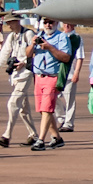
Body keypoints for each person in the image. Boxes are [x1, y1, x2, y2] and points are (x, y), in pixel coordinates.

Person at [0, 14, 39, 147]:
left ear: (17, 21)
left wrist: (24, 62)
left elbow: (36, 52)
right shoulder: (11, 36)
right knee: (23, 109)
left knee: (12, 103)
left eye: (10, 22)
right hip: (15, 76)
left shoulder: (28, 34)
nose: (9, 25)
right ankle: (33, 135)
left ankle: (7, 136)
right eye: (7, 23)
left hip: (25, 74)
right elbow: (3, 54)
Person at [27, 17, 73, 150]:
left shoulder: (62, 37)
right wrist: (33, 44)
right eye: (45, 22)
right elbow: (28, 54)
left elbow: (66, 57)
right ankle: (57, 138)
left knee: (47, 109)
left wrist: (49, 47)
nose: (47, 25)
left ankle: (40, 140)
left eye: (50, 22)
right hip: (38, 76)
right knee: (43, 110)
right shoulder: (39, 35)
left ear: (56, 23)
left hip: (52, 76)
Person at [55, 22, 84, 132]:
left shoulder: (77, 38)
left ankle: (69, 123)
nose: (66, 26)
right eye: (65, 23)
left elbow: (80, 57)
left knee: (69, 100)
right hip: (58, 72)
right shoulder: (59, 36)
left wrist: (77, 72)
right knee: (55, 97)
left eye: (69, 24)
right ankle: (61, 117)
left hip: (70, 73)